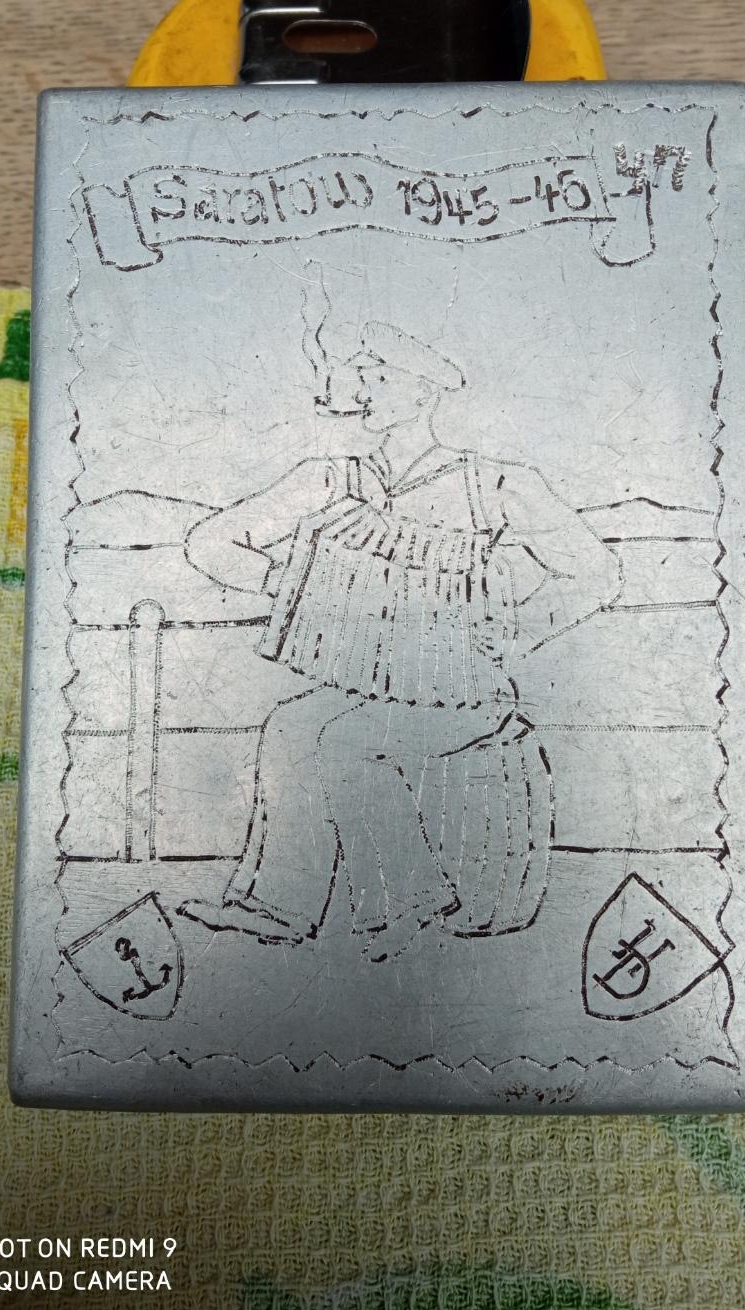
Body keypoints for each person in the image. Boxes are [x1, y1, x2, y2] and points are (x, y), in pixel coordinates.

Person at [181, 322, 621, 961]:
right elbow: (207, 543)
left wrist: (519, 630)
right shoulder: (333, 480)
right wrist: (287, 583)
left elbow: (598, 574)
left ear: (421, 393)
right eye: (362, 378)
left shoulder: (493, 486)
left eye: (378, 379)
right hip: (375, 689)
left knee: (347, 741)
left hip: (467, 694)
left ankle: (411, 899)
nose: (362, 392)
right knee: (288, 726)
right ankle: (277, 907)